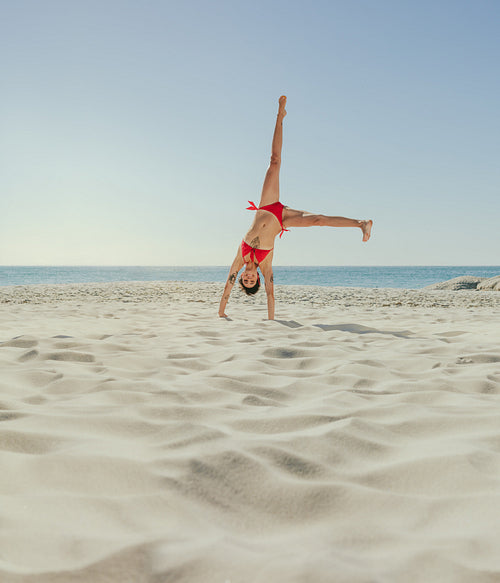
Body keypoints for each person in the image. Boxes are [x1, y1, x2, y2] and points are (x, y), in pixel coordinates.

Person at [218, 96, 373, 320]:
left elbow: (226, 289)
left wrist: (222, 313)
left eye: (245, 280)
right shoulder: (266, 266)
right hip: (282, 219)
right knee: (318, 220)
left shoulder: (238, 261)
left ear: (241, 276)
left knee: (274, 161)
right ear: (258, 279)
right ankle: (361, 223)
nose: (248, 279)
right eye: (252, 281)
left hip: (266, 205)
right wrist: (271, 320)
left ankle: (280, 116)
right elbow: (271, 295)